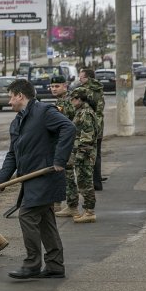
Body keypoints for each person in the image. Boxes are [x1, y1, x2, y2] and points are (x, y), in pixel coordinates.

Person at [0, 78, 75, 279]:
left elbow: (69, 128)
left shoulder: (44, 112)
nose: (9, 102)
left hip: (45, 175)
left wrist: (59, 160)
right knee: (45, 220)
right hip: (30, 179)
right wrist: (0, 181)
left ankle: (32, 264)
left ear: (20, 95)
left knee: (27, 215)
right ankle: (55, 266)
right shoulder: (17, 121)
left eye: (11, 97)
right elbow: (12, 155)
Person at [55, 87, 99, 223]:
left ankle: (89, 211)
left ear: (79, 99)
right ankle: (82, 209)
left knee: (85, 182)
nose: (71, 101)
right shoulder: (80, 111)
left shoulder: (85, 113)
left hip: (84, 154)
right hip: (80, 153)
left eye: (73, 99)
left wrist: (79, 156)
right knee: (81, 182)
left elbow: (87, 137)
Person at [49, 75, 75, 213]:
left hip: (70, 143)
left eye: (57, 86)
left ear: (65, 86)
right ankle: (63, 203)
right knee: (63, 174)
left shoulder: (69, 100)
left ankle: (72, 207)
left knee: (69, 174)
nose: (54, 89)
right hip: (63, 142)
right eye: (52, 86)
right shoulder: (60, 100)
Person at [78, 68, 105, 191]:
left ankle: (88, 183)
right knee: (97, 155)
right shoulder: (99, 89)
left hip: (87, 127)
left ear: (88, 78)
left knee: (85, 155)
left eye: (81, 77)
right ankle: (97, 182)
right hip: (98, 127)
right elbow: (100, 110)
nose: (79, 78)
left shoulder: (84, 91)